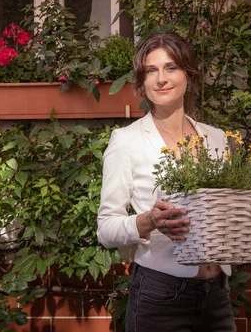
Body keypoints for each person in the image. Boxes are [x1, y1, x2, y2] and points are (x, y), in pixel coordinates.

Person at [97, 32, 236, 332]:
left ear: (189, 74)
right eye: (151, 70)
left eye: (171, 67)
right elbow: (106, 229)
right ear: (143, 82)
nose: (161, 78)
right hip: (160, 296)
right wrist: (148, 221)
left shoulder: (217, 138)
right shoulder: (126, 141)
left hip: (217, 295)